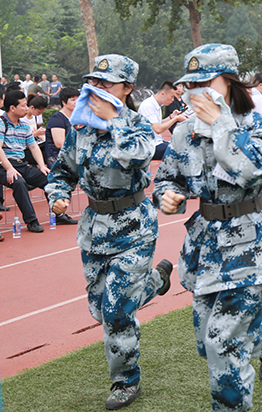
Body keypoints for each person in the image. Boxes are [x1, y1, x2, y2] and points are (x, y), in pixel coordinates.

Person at [153, 43, 262, 411]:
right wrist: (167, 196)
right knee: (206, 341)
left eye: (205, 82)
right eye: (191, 83)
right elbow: (167, 178)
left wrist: (220, 124)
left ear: (229, 82)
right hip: (205, 248)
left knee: (223, 345)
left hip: (250, 245)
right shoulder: (185, 132)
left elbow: (251, 170)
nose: (195, 91)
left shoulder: (254, 124)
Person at [46, 54, 172, 410]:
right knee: (100, 309)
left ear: (127, 88)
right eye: (94, 83)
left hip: (133, 228)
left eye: (106, 84)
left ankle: (125, 381)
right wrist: (57, 196)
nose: (97, 89)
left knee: (117, 310)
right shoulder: (80, 127)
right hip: (94, 230)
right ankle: (154, 283)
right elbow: (62, 171)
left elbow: (139, 156)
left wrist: (112, 120)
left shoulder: (137, 125)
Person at [0, 91, 75, 232]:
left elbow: (33, 147)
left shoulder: (24, 125)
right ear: (12, 108)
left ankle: (58, 214)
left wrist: (42, 166)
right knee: (19, 183)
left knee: (49, 179)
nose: (27, 109)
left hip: (21, 164)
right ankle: (31, 221)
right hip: (4, 165)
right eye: (23, 106)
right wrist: (9, 168)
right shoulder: (1, 123)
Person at [137, 81, 186, 160]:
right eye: (172, 96)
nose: (173, 100)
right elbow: (157, 129)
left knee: (182, 145)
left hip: (158, 142)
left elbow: (158, 123)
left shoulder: (157, 104)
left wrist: (171, 117)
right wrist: (176, 119)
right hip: (150, 146)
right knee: (182, 151)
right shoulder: (148, 105)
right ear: (163, 94)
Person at [45, 87, 79, 167]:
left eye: (78, 99)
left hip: (74, 156)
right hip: (57, 158)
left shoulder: (77, 118)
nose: (76, 102)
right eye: (73, 100)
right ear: (64, 102)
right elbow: (60, 144)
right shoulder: (57, 119)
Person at [22, 94, 48, 165]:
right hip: (27, 148)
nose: (39, 114)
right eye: (39, 112)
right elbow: (21, 139)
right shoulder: (22, 119)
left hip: (36, 144)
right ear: (32, 108)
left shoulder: (34, 117)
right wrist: (36, 133)